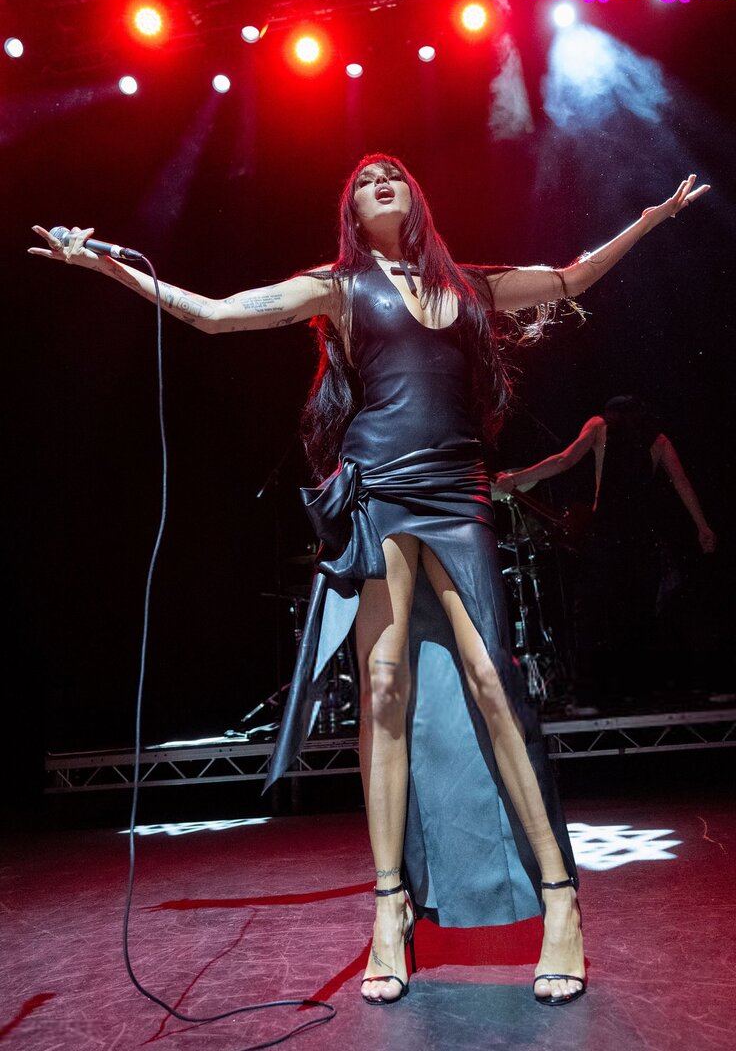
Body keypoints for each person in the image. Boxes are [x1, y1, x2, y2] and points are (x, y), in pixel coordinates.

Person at [30, 160, 709, 1008]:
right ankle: (390, 908)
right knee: (383, 686)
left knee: (494, 681)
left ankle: (561, 901)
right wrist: (106, 265)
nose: (382, 180)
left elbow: (571, 277)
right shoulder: (338, 286)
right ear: (351, 209)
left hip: (456, 490)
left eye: (395, 174)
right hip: (377, 489)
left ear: (416, 195)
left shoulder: (470, 285)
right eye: (365, 179)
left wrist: (648, 220)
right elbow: (215, 314)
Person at [495, 396, 717, 712]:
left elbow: (564, 460)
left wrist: (515, 479)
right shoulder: (659, 440)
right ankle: (640, 694)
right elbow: (681, 482)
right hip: (642, 537)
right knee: (637, 616)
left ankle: (593, 696)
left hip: (607, 533)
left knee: (593, 613)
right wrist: (702, 526)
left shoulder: (599, 425)